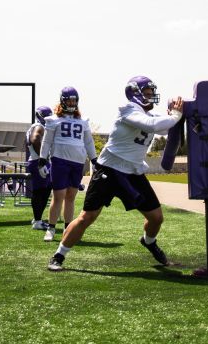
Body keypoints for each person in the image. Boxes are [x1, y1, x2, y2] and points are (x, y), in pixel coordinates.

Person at [47, 76, 182, 272]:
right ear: (135, 94)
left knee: (156, 217)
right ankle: (59, 255)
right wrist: (175, 116)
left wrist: (180, 117)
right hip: (109, 170)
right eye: (147, 93)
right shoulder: (127, 109)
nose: (151, 97)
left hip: (133, 172)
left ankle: (149, 242)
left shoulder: (151, 116)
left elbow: (164, 127)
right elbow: (153, 125)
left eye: (152, 93)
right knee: (87, 217)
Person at [38, 88, 96, 242]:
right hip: (60, 160)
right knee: (58, 196)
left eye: (74, 100)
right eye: (69, 100)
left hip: (77, 162)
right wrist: (42, 159)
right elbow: (47, 141)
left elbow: (88, 142)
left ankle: (68, 229)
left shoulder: (83, 121)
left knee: (71, 197)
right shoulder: (53, 120)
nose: (72, 103)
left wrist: (94, 159)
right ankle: (51, 228)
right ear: (63, 101)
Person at [26, 105, 54, 233]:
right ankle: (37, 221)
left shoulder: (35, 126)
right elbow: (35, 139)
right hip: (38, 161)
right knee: (41, 192)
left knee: (44, 191)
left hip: (36, 160)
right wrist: (42, 159)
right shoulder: (39, 126)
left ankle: (37, 219)